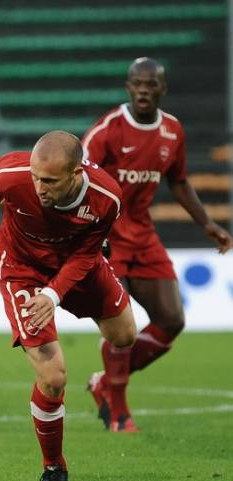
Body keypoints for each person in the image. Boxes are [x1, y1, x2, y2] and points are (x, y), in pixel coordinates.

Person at [0, 131, 137, 481]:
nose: (38, 187)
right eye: (34, 177)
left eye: (48, 181)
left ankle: (101, 384)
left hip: (78, 264)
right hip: (21, 270)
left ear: (76, 173)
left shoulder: (106, 198)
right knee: (53, 375)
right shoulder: (9, 176)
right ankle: (54, 467)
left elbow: (87, 254)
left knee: (125, 336)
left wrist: (54, 294)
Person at [82, 57, 233, 432]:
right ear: (128, 87)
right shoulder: (106, 131)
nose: (144, 90)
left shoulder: (172, 131)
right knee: (122, 329)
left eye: (151, 84)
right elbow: (80, 182)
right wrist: (87, 237)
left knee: (171, 320)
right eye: (138, 84)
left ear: (162, 89)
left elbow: (178, 181)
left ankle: (105, 380)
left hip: (144, 238)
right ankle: (118, 410)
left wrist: (207, 223)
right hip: (108, 239)